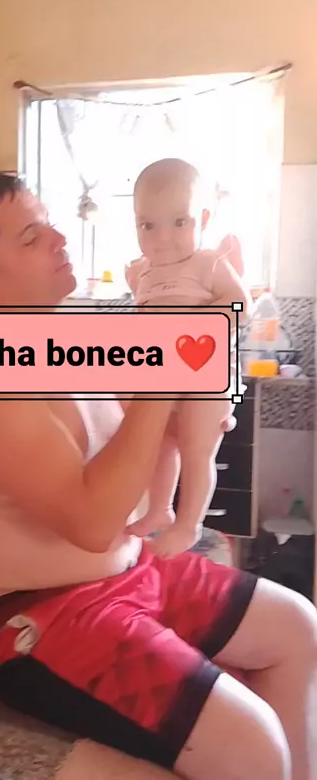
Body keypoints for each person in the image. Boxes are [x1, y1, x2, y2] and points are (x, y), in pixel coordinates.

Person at [0, 172, 317, 780]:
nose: (59, 238)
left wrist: (194, 416)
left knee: (298, 626)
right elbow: (91, 523)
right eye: (31, 237)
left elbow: (135, 442)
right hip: (27, 612)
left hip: (128, 573)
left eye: (50, 223)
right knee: (254, 746)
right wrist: (165, 371)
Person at [124, 159, 252, 557]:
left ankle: (188, 524)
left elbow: (240, 306)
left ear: (204, 219)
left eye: (179, 222)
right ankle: (159, 509)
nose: (163, 238)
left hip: (206, 376)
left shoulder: (209, 263)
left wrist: (193, 326)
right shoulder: (145, 273)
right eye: (148, 225)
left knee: (197, 451)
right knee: (160, 444)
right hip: (164, 377)